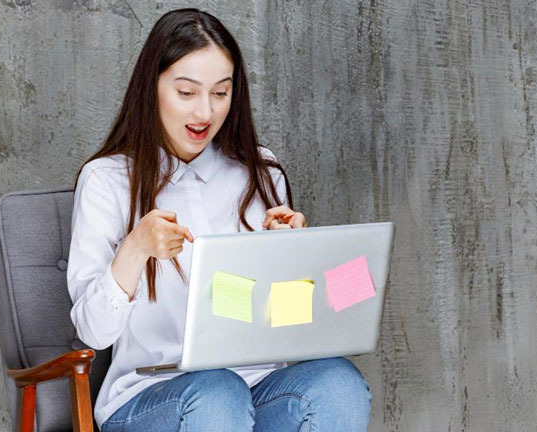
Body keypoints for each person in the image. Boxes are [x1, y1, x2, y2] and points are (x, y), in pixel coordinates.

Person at [67, 8, 371, 432]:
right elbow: (92, 332)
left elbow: (286, 320)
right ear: (151, 88)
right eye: (187, 92)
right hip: (152, 399)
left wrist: (291, 259)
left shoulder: (260, 171)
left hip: (258, 387)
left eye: (220, 93)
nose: (205, 113)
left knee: (339, 382)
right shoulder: (108, 180)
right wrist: (135, 249)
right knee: (217, 393)